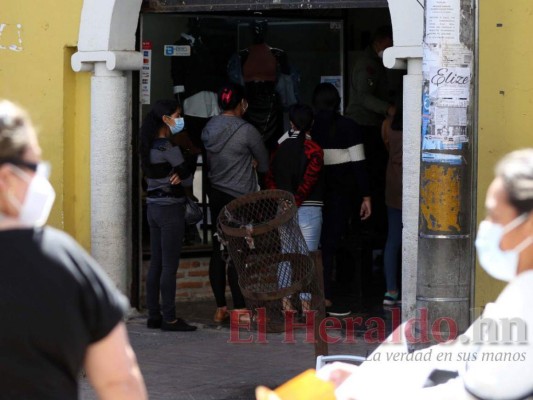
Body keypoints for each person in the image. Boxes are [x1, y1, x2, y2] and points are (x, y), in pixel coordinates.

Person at [319, 149, 533, 399]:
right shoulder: (520, 290)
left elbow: (475, 391)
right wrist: (374, 373)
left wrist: (369, 390)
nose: (486, 227)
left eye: (496, 217)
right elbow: (464, 351)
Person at [0, 100, 147, 399]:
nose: (41, 179)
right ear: (6, 178)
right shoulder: (64, 261)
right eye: (34, 167)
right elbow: (120, 382)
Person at [202, 82, 269, 323]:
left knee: (217, 250)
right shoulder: (247, 131)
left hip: (216, 195)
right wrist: (251, 161)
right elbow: (264, 164)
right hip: (240, 198)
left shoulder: (208, 128)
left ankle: (221, 307)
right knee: (237, 252)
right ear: (242, 104)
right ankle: (240, 309)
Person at [311, 83, 371, 317]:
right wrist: (366, 195)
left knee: (316, 244)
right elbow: (359, 164)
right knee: (334, 243)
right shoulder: (349, 127)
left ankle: (318, 294)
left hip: (314, 194)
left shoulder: (310, 126)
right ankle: (332, 294)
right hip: (342, 195)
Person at [140, 99, 197, 332]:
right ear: (166, 119)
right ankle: (170, 318)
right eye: (177, 114)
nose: (180, 119)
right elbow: (189, 178)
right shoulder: (166, 147)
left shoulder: (149, 147)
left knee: (156, 263)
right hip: (170, 208)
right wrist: (183, 171)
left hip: (152, 208)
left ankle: (154, 315)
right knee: (169, 265)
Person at [265, 103, 324, 312]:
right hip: (309, 208)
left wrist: (285, 201)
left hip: (284, 209)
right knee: (307, 257)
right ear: (312, 124)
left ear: (291, 124)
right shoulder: (315, 150)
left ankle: (286, 303)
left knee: (286, 255)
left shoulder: (279, 149)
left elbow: (270, 178)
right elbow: (309, 180)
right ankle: (307, 305)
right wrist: (296, 201)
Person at [345, 25, 394, 264]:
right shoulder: (367, 64)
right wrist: (388, 109)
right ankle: (366, 225)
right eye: (390, 43)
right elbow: (365, 98)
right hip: (365, 126)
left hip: (371, 126)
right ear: (382, 41)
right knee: (370, 176)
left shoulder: (374, 62)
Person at [228, 19, 289, 152]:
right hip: (250, 101)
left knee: (272, 143)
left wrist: (286, 104)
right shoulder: (241, 55)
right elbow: (236, 83)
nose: (258, 32)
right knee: (250, 140)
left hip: (271, 102)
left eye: (261, 28)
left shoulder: (278, 54)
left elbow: (286, 83)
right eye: (255, 29)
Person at [381, 96, 403, 306]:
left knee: (393, 239)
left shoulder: (388, 125)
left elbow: (386, 146)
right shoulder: (421, 120)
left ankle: (391, 290)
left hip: (394, 182)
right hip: (415, 181)